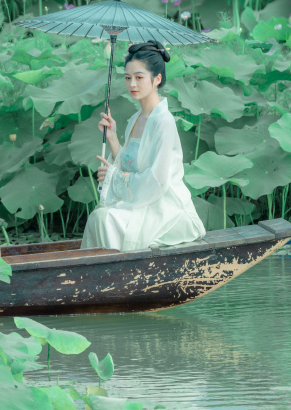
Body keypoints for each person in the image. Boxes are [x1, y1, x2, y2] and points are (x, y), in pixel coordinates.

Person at [82, 39, 206, 251]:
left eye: (139, 78)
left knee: (104, 219)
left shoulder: (163, 121)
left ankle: (116, 273)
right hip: (143, 201)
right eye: (128, 78)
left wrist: (115, 176)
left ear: (157, 79)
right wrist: (112, 138)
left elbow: (157, 180)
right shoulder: (135, 119)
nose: (132, 84)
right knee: (98, 217)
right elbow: (131, 166)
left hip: (164, 208)